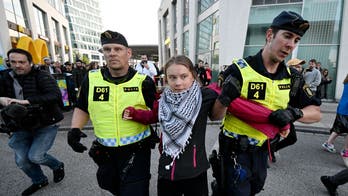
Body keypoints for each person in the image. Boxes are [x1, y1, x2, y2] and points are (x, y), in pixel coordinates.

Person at [212, 11, 321, 195]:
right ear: (270, 35)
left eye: (296, 40)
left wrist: (295, 113)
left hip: (263, 154)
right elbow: (215, 115)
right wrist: (224, 99)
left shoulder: (292, 78)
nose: (290, 45)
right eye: (287, 36)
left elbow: (316, 112)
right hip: (234, 154)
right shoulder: (239, 69)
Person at [67, 30, 157, 196]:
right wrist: (74, 129)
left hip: (136, 150)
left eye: (118, 49)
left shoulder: (144, 82)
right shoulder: (92, 78)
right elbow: (82, 106)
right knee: (108, 185)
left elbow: (158, 113)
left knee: (134, 190)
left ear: (128, 53)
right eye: (107, 49)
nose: (112, 53)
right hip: (105, 150)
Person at [122, 55, 222, 196]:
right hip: (167, 169)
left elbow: (223, 97)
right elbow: (152, 116)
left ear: (193, 76)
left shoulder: (204, 96)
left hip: (195, 170)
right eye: (172, 77)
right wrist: (134, 114)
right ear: (167, 79)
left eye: (183, 76)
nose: (178, 82)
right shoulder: (163, 100)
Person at [0, 48, 65, 195]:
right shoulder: (3, 77)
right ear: (8, 62)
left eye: (22, 62)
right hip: (19, 125)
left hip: (46, 123)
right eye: (13, 62)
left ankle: (57, 165)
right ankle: (39, 180)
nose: (17, 65)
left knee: (36, 156)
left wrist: (26, 101)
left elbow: (55, 95)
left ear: (30, 62)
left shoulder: (42, 76)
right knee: (22, 161)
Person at [322, 74, 348, 166]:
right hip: (345, 110)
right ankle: (345, 151)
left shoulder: (346, 82)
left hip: (342, 108)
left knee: (339, 128)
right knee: (340, 128)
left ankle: (328, 143)